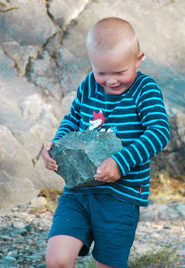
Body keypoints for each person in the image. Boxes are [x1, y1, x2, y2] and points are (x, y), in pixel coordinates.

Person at [41, 17, 170, 268]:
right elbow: (73, 120)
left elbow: (159, 132)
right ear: (92, 64)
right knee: (57, 259)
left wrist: (120, 162)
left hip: (120, 197)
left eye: (120, 72)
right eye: (101, 72)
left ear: (138, 59)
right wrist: (55, 146)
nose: (111, 81)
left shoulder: (145, 89)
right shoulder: (89, 85)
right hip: (77, 192)